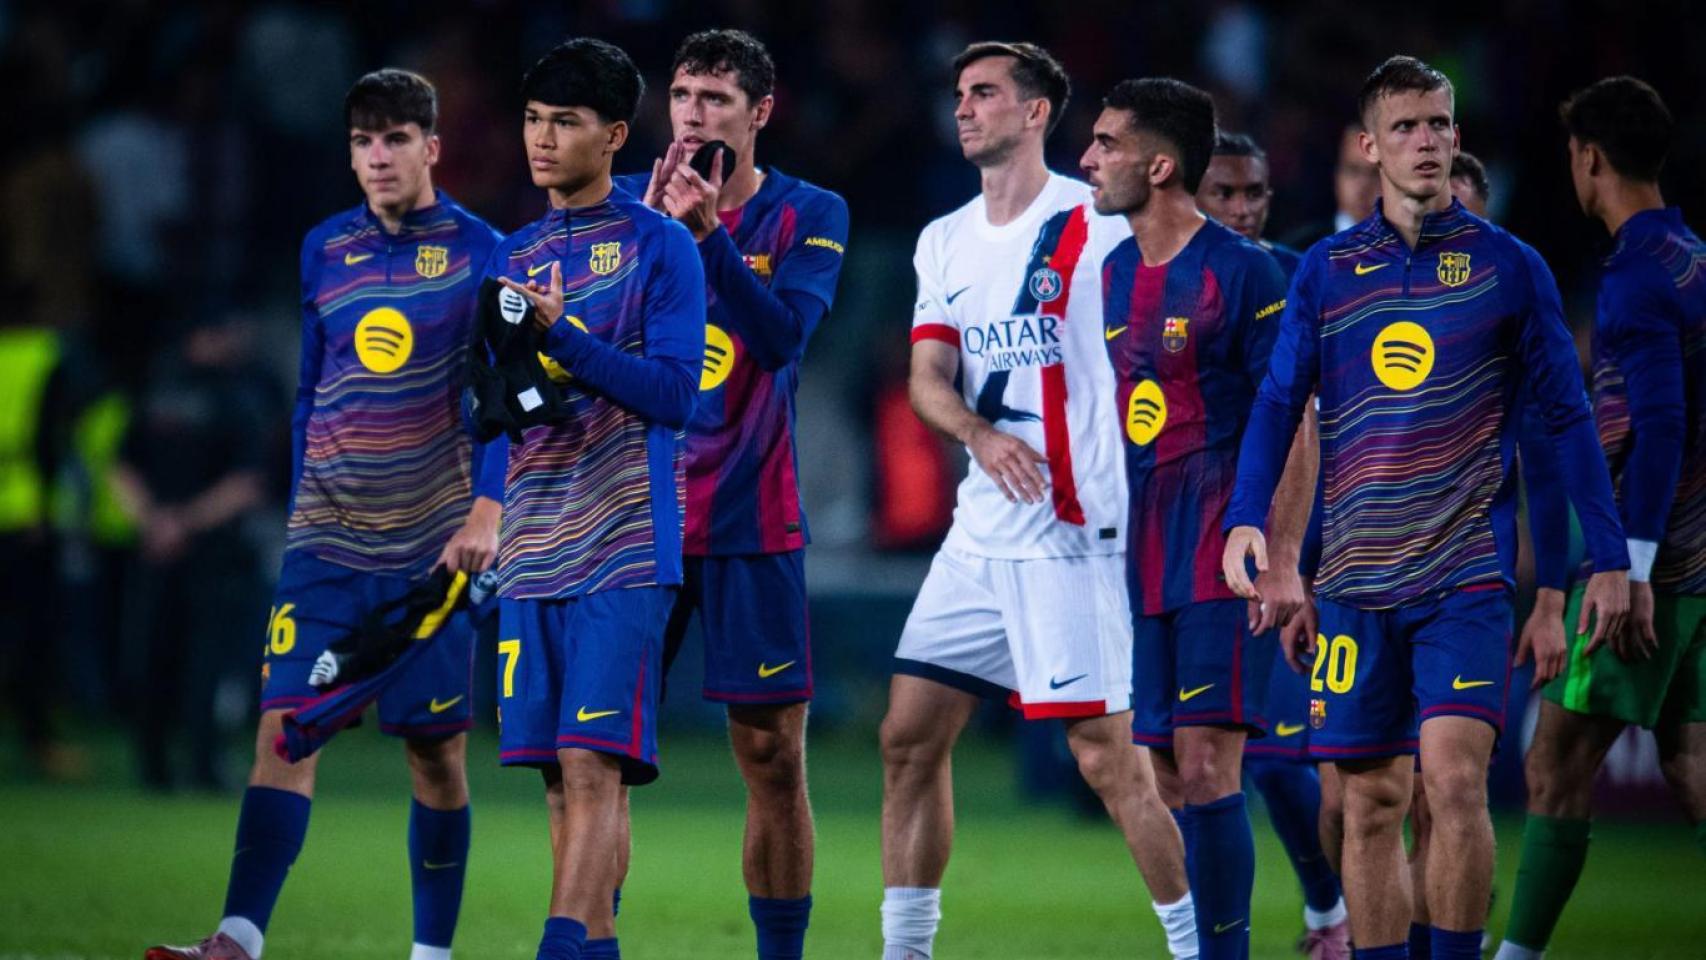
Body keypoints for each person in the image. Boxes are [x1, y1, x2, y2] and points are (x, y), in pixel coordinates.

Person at [1222, 56, 1631, 959]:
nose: (1427, 141)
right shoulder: (1328, 272)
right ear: (1370, 147)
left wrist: (1604, 560)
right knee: (1367, 802)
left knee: (1452, 782)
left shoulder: (1508, 268)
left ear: (1457, 136)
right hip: (1355, 583)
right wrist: (1255, 524)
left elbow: (1567, 421)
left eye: (1439, 124)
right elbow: (1281, 405)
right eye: (1405, 126)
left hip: (1464, 579)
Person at [145, 68, 502, 960]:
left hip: (430, 551)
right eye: (362, 142)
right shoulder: (325, 248)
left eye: (395, 139)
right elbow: (313, 389)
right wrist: (306, 494)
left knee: (434, 754)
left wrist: (487, 512)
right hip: (326, 545)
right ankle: (237, 938)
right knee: (283, 730)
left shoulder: (484, 251)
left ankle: (431, 954)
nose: (377, 157)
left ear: (431, 147)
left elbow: (502, 403)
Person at [880, 42, 1194, 960]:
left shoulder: (1097, 222)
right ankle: (905, 951)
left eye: (985, 93)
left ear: (1035, 112)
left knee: (1108, 760)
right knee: (908, 737)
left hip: (1073, 534)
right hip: (979, 535)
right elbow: (928, 377)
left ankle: (1199, 945)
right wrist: (979, 437)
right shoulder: (943, 239)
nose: (964, 107)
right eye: (959, 93)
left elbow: (1175, 330)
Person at [615, 29, 849, 959]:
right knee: (597, 761)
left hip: (752, 515)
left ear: (761, 113)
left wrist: (709, 239)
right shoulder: (623, 207)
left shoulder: (809, 213)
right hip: (635, 519)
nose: (693, 115)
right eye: (682, 96)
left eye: (715, 99)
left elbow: (784, 339)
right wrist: (658, 235)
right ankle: (590, 943)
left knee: (772, 757)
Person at [487, 38, 706, 960]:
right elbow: (498, 407)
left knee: (592, 763)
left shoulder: (661, 245)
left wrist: (563, 336)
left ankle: (555, 946)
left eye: (565, 122)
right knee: (555, 776)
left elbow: (676, 394)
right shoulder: (512, 253)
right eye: (534, 120)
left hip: (625, 537)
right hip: (533, 542)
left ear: (614, 135)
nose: (542, 139)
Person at [1088, 79, 1314, 960]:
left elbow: (1295, 419)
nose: (1089, 160)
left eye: (1106, 144)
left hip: (1227, 544)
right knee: (1168, 769)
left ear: (1158, 165)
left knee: (1213, 762)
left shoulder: (1245, 271)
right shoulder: (1114, 273)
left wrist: (1282, 555)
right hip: (1150, 549)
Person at [1494, 75, 1706, 960]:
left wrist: (1631, 566)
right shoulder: (1693, 257)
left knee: (1554, 765)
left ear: (1589, 158)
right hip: (1698, 564)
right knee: (1691, 765)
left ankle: (1516, 956)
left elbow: (1660, 427)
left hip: (1651, 567)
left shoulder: (1632, 276)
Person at [1196, 129, 1351, 958]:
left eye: (1253, 192)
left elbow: (1327, 427)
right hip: (1211, 551)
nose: (1242, 208)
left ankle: (1356, 916)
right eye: (1223, 193)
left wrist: (1306, 557)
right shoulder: (1164, 283)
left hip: (1319, 550)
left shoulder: (1300, 280)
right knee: (1245, 758)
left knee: (1312, 759)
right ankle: (1339, 913)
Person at [112, 316, 270, 792]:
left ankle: (153, 765)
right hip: (211, 553)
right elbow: (247, 482)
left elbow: (121, 467)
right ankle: (202, 764)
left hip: (157, 548)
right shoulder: (239, 398)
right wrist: (184, 524)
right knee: (205, 661)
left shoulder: (155, 394)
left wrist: (153, 523)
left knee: (153, 656)